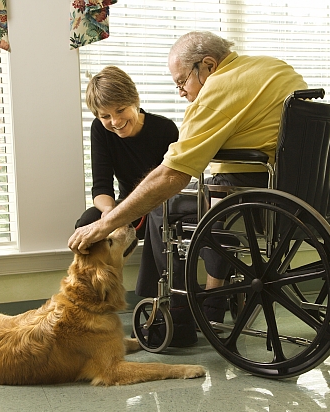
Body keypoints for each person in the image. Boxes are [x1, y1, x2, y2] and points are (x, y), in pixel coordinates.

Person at [69, 31, 307, 346]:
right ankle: (206, 303)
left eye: (182, 82)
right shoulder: (275, 68)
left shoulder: (217, 92)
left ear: (207, 66)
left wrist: (107, 224)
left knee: (160, 209)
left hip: (248, 196)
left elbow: (169, 178)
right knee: (182, 205)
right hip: (295, 196)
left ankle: (177, 314)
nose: (181, 92)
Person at [75, 66, 179, 294]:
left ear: (135, 101)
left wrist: (117, 219)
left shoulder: (164, 129)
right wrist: (110, 215)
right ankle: (95, 298)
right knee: (86, 224)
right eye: (105, 116)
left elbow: (171, 183)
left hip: (160, 207)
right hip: (124, 209)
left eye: (120, 110)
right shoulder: (100, 130)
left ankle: (155, 298)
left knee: (157, 222)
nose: (115, 121)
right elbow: (101, 187)